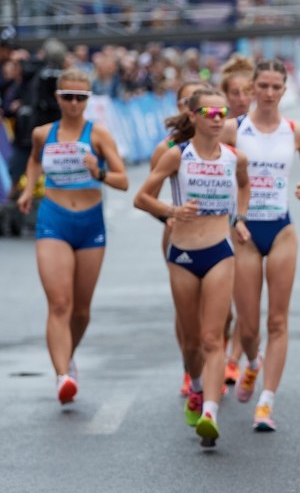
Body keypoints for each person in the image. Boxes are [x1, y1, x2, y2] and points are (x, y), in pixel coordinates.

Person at [134, 88, 251, 447]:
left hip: (219, 251)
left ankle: (210, 412)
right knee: (190, 341)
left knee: (212, 337)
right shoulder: (176, 155)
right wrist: (171, 211)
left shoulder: (234, 158)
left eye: (222, 113)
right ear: (193, 116)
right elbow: (142, 198)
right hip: (183, 254)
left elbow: (244, 187)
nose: (217, 120)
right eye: (209, 113)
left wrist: (238, 218)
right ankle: (197, 387)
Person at [16, 68, 128, 404]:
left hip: (90, 223)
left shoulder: (98, 135)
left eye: (81, 97)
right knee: (59, 303)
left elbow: (123, 181)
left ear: (88, 100)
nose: (75, 103)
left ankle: (69, 355)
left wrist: (99, 172)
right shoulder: (43, 133)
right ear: (58, 97)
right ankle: (62, 375)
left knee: (81, 311)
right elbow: (34, 161)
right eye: (68, 97)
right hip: (54, 220)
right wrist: (28, 190)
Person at [221, 58, 300, 430]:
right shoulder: (233, 130)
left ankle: (266, 401)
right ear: (252, 88)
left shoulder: (297, 132)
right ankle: (252, 362)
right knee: (247, 327)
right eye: (263, 86)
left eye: (276, 87)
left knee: (277, 319)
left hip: (280, 229)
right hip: (244, 232)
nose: (269, 93)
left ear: (285, 90)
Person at [149, 80, 210, 397]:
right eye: (187, 101)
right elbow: (148, 197)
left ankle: (215, 362)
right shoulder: (167, 149)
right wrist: (170, 215)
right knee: (187, 310)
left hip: (218, 235)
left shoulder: (223, 141)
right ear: (180, 107)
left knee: (220, 310)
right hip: (179, 235)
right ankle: (191, 368)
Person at [217, 54, 254, 385]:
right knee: (222, 303)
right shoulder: (221, 129)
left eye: (247, 92)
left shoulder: (266, 128)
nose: (241, 99)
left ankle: (233, 359)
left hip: (253, 221)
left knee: (245, 300)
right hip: (220, 221)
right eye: (234, 93)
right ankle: (218, 350)